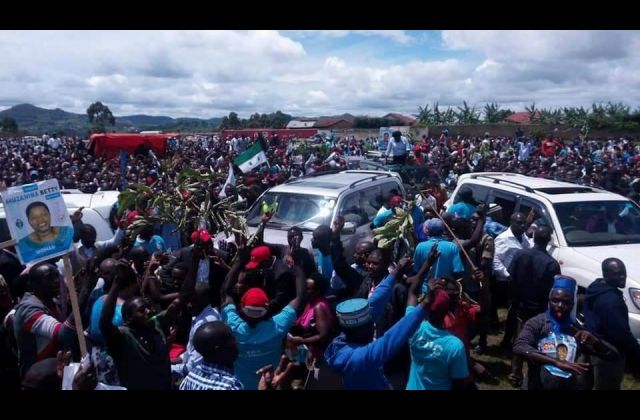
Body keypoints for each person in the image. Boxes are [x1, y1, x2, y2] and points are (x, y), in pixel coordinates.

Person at [324, 256, 432, 390]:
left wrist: (396, 272)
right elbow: (393, 336)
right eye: (370, 325)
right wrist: (425, 304)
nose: (373, 326)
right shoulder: (361, 357)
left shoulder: (341, 341)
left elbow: (375, 302)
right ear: (360, 330)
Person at [514, 277, 617, 390]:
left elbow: (611, 355)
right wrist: (556, 362)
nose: (560, 305)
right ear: (549, 301)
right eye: (555, 300)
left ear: (573, 304)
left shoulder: (576, 331)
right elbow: (520, 346)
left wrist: (596, 342)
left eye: (566, 302)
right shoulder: (538, 323)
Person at [13, 262, 96, 377]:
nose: (56, 280)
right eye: (49, 277)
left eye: (57, 275)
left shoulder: (53, 303)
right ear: (33, 284)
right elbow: (63, 334)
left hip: (57, 371)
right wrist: (85, 290)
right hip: (39, 378)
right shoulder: (28, 310)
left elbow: (74, 327)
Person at [507, 225, 561, 387]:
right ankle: (532, 371)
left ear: (534, 238)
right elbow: (553, 291)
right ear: (548, 240)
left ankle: (515, 372)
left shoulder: (520, 254)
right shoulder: (551, 264)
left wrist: (513, 299)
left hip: (521, 305)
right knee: (538, 341)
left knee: (520, 338)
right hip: (539, 309)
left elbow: (511, 278)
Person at [583, 258, 640, 389]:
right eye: (617, 274)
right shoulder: (611, 301)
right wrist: (637, 354)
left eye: (623, 272)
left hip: (591, 348)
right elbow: (621, 334)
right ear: (606, 275)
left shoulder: (595, 288)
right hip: (607, 354)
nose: (622, 277)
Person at [179, 321, 243, 390]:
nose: (236, 343)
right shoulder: (230, 386)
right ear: (219, 349)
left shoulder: (192, 375)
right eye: (232, 339)